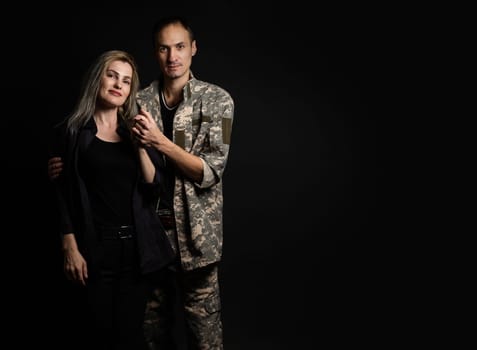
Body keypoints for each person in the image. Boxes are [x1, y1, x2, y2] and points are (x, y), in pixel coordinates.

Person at [49, 16, 234, 349]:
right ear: (155, 53)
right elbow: (101, 152)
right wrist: (65, 163)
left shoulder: (219, 103)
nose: (172, 56)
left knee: (205, 340)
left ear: (193, 49)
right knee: (148, 338)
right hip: (149, 246)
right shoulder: (137, 101)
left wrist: (159, 141)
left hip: (197, 246)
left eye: (180, 47)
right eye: (164, 48)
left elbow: (208, 173)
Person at [48, 49, 175, 350]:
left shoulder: (135, 130)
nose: (119, 84)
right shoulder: (73, 133)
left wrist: (141, 146)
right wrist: (70, 246)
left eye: (127, 81)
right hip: (94, 250)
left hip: (135, 252)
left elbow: (153, 189)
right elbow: (62, 194)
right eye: (112, 75)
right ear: (98, 79)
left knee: (130, 336)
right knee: (98, 335)